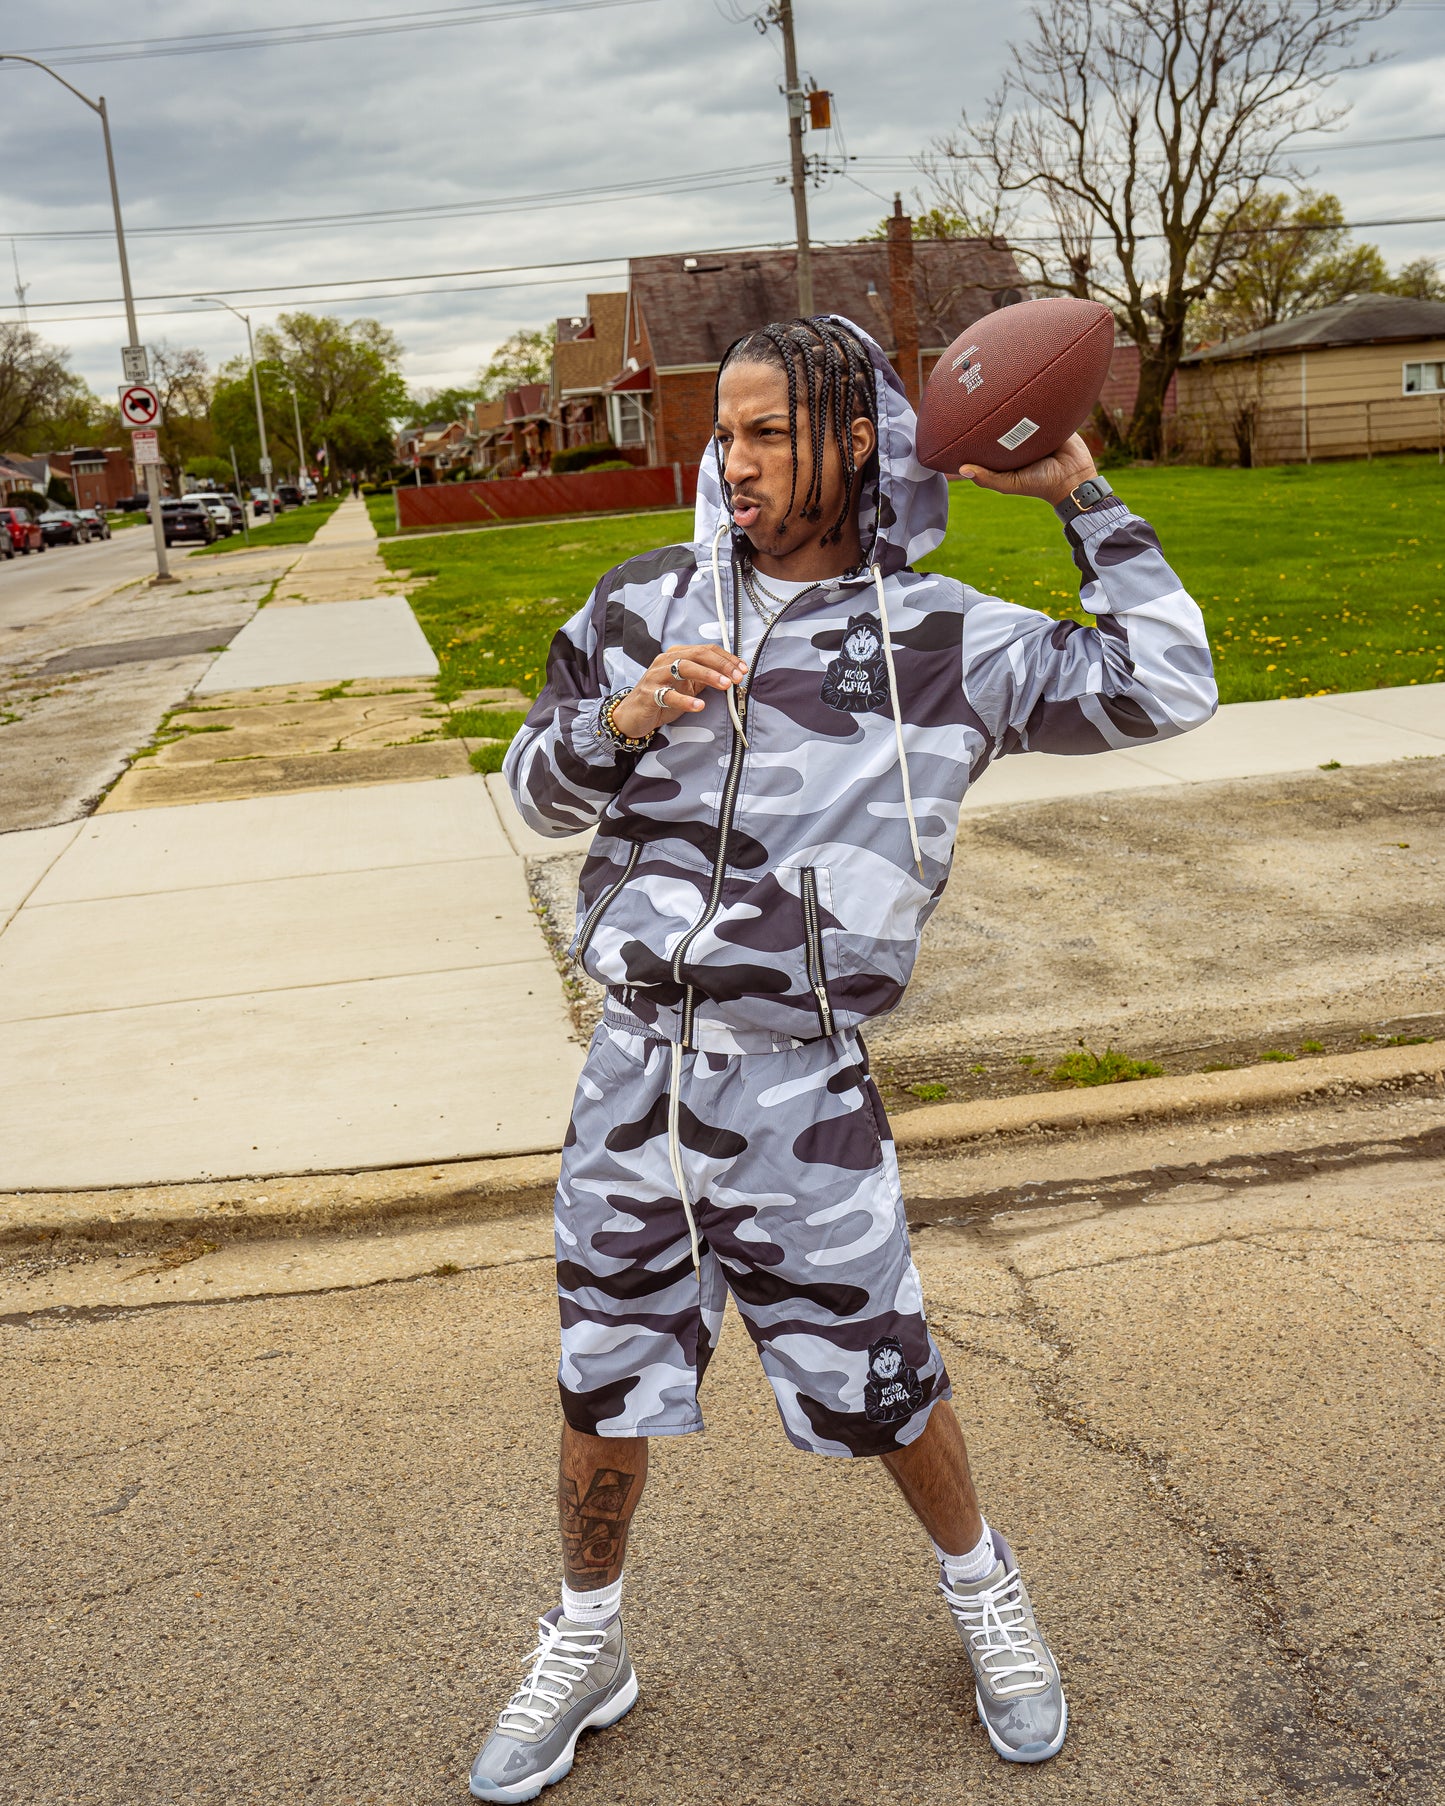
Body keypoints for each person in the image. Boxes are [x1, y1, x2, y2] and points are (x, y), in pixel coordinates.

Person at [472, 315, 1216, 1801]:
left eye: (763, 433)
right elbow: (530, 793)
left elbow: (1168, 680)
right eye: (721, 435)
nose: (729, 463)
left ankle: (985, 1593)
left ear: (854, 439)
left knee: (883, 1371)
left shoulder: (942, 642)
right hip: (634, 1075)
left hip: (800, 1087)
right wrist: (618, 722)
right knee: (602, 1377)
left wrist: (1080, 494)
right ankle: (587, 1638)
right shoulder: (640, 605)